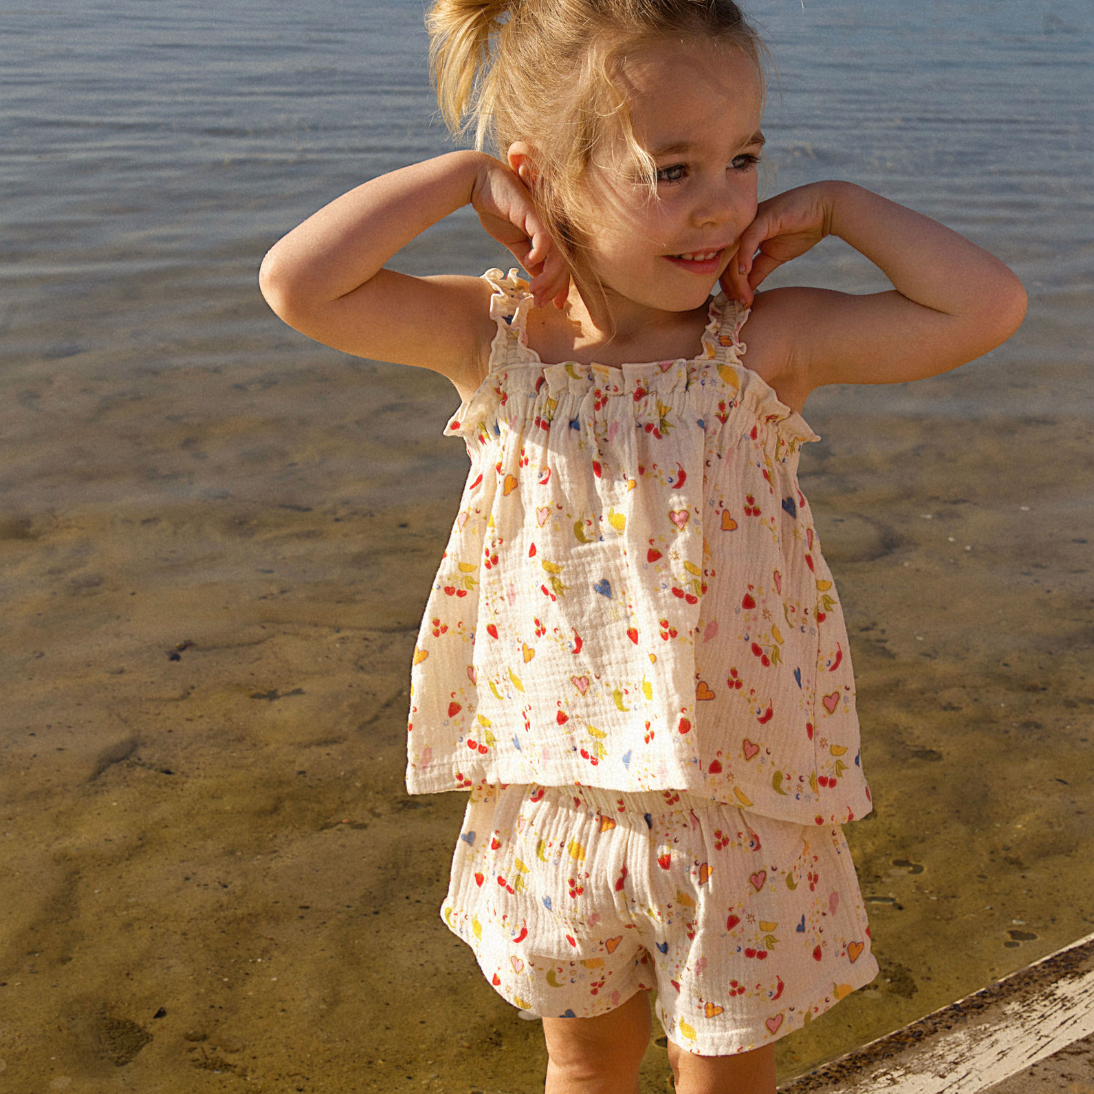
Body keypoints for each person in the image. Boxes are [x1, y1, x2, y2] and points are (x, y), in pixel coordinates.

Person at [259, 1, 1026, 1090]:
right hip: (553, 802)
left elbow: (985, 306)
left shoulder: (759, 346)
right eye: (672, 169)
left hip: (731, 806)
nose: (721, 203)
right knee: (581, 1065)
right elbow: (296, 284)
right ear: (544, 177)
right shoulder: (496, 343)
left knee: (722, 1074)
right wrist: (458, 175)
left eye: (744, 158)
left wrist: (844, 207)